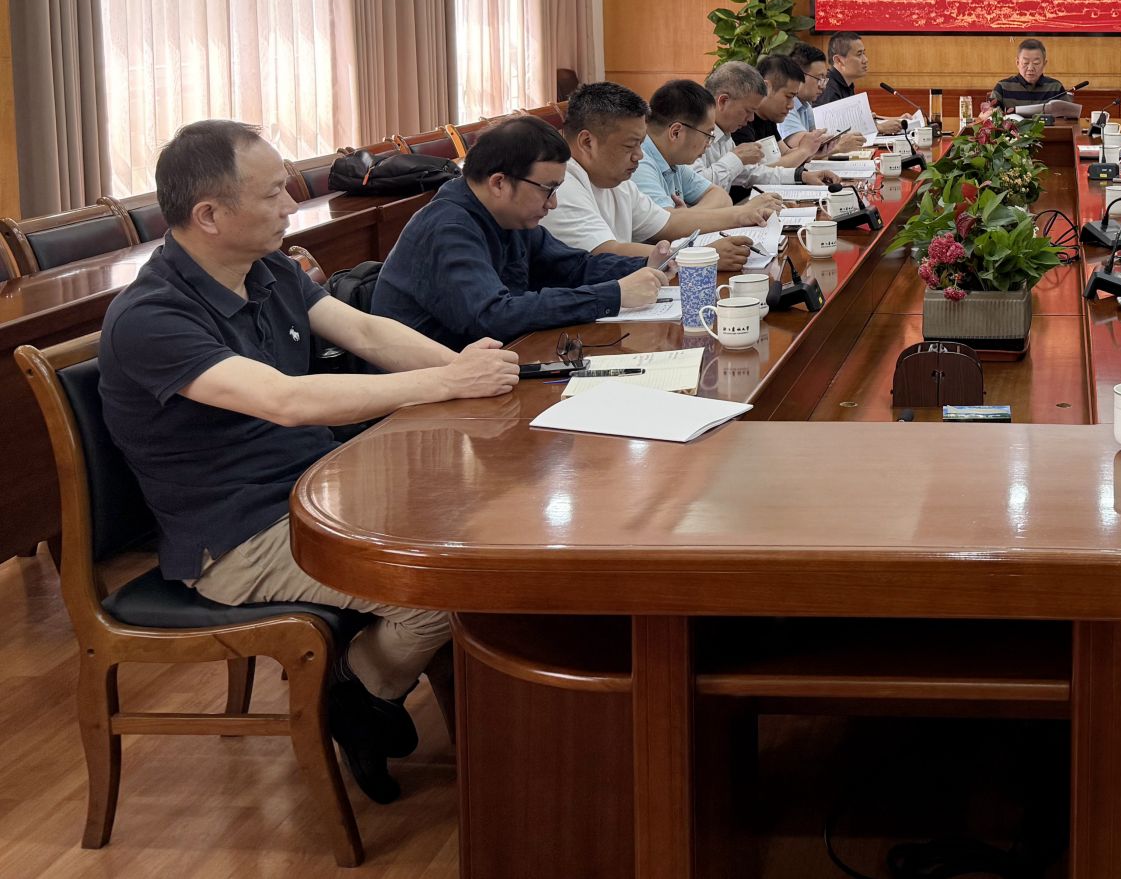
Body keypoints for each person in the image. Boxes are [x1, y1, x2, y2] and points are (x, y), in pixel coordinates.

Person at [98, 121, 522, 803]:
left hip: (322, 489)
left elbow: (366, 331)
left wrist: (485, 375)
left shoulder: (264, 270)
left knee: (489, 526)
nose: (292, 205)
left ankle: (383, 695)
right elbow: (286, 401)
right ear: (209, 215)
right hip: (237, 537)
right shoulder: (153, 315)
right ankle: (353, 693)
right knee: (451, 585)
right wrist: (447, 382)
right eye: (272, 194)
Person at [373, 116, 664, 350]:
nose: (553, 203)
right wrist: (614, 294)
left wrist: (648, 265)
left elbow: (575, 267)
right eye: (548, 189)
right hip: (425, 391)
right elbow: (493, 316)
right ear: (499, 183)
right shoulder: (447, 230)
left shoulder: (509, 218)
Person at [543, 81, 755, 267]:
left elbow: (667, 224)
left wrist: (743, 214)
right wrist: (699, 256)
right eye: (630, 146)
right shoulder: (562, 185)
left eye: (641, 143)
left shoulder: (615, 180)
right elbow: (606, 252)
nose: (640, 155)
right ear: (587, 142)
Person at [634, 77, 778, 224]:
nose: (709, 144)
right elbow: (665, 226)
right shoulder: (639, 163)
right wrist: (742, 212)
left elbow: (721, 197)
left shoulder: (674, 162)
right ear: (676, 132)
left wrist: (685, 216)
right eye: (708, 135)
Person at [696, 60, 829, 188]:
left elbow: (750, 173)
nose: (751, 118)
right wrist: (736, 158)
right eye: (748, 111)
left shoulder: (725, 133)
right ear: (723, 101)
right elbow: (697, 186)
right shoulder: (694, 131)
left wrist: (801, 176)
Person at [779, 43, 866, 153]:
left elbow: (819, 138)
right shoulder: (786, 106)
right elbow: (802, 146)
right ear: (799, 75)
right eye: (819, 79)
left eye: (825, 79)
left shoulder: (805, 105)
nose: (823, 86)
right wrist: (839, 146)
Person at [816, 31, 904, 133]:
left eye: (864, 53)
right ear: (838, 60)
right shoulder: (827, 87)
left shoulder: (846, 84)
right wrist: (878, 128)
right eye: (859, 54)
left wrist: (899, 119)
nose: (865, 60)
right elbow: (831, 131)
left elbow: (852, 122)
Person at [990, 37, 1068, 110]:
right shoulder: (1003, 87)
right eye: (1025, 63)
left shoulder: (1055, 87)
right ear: (1017, 63)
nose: (1030, 68)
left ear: (1044, 64)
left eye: (1036, 63)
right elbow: (990, 115)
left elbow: (1069, 115)